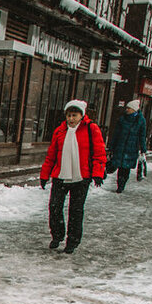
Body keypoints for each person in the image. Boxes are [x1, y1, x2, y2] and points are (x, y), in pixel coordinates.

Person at [39, 99, 107, 255]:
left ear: (81, 116)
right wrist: (44, 175)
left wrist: (97, 173)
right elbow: (51, 156)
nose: (71, 119)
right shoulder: (60, 131)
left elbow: (99, 153)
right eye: (69, 115)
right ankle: (57, 236)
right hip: (60, 176)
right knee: (54, 207)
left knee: (76, 211)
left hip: (81, 177)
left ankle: (72, 241)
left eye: (74, 115)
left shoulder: (91, 129)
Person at [106, 99, 146, 193]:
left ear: (134, 109)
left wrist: (143, 149)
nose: (127, 110)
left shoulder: (140, 121)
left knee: (126, 168)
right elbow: (116, 134)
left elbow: (142, 136)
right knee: (120, 167)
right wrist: (112, 146)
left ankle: (122, 183)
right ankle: (120, 185)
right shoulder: (122, 119)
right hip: (120, 146)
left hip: (131, 148)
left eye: (129, 108)